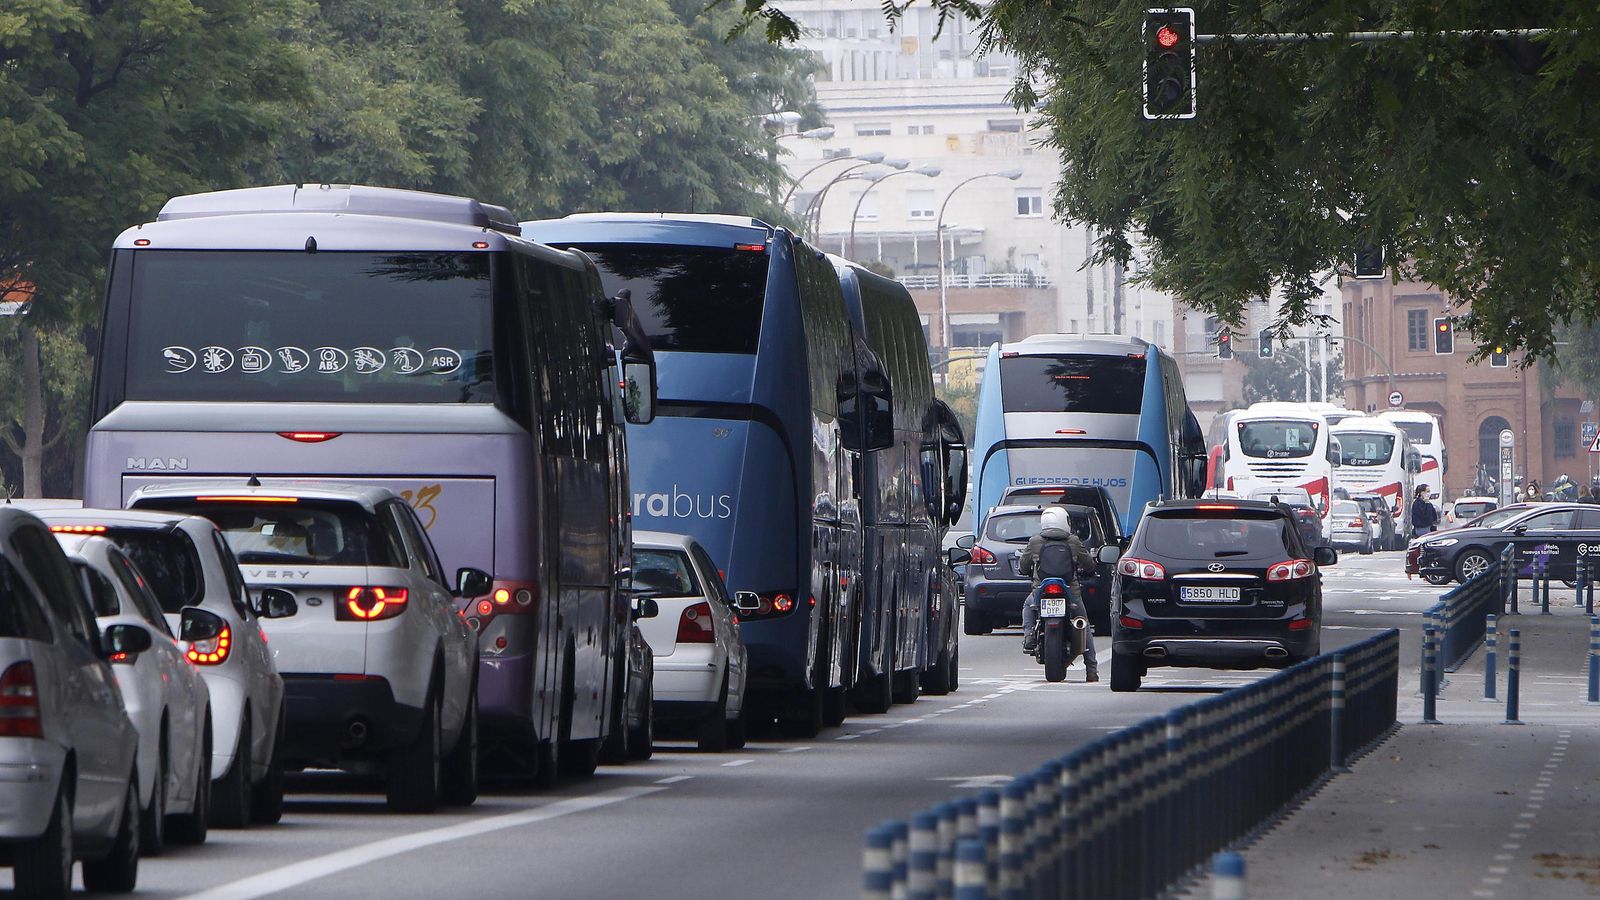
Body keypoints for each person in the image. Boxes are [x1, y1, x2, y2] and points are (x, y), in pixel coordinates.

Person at [1018, 506, 1098, 681]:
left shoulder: (1034, 541)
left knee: (1028, 606)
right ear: (1065, 521)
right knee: (1083, 624)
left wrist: (1026, 570)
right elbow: (1089, 565)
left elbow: (1023, 566)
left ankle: (1029, 635)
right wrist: (1091, 570)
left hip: (1041, 590)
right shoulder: (1074, 541)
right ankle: (1091, 670)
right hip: (1070, 591)